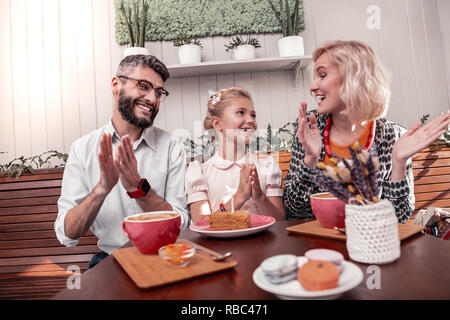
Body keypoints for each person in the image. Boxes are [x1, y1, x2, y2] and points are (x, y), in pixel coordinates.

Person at [283, 40, 450, 223]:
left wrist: (399, 161)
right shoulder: (310, 128)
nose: (312, 87)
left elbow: (399, 218)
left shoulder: (390, 136)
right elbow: (294, 210)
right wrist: (310, 160)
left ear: (354, 78)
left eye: (322, 75)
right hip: (317, 245)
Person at [55, 54, 189, 268]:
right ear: (116, 85)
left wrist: (139, 190)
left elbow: (181, 223)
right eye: (144, 86)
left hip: (165, 257)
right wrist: (101, 189)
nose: (153, 99)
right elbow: (67, 233)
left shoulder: (172, 146)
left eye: (158, 92)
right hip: (109, 259)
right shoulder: (82, 149)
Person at [185, 87, 286, 223]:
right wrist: (239, 197)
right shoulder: (200, 172)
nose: (250, 120)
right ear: (217, 123)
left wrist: (260, 197)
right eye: (240, 113)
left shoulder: (266, 167)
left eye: (253, 115)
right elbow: (202, 224)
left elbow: (280, 220)